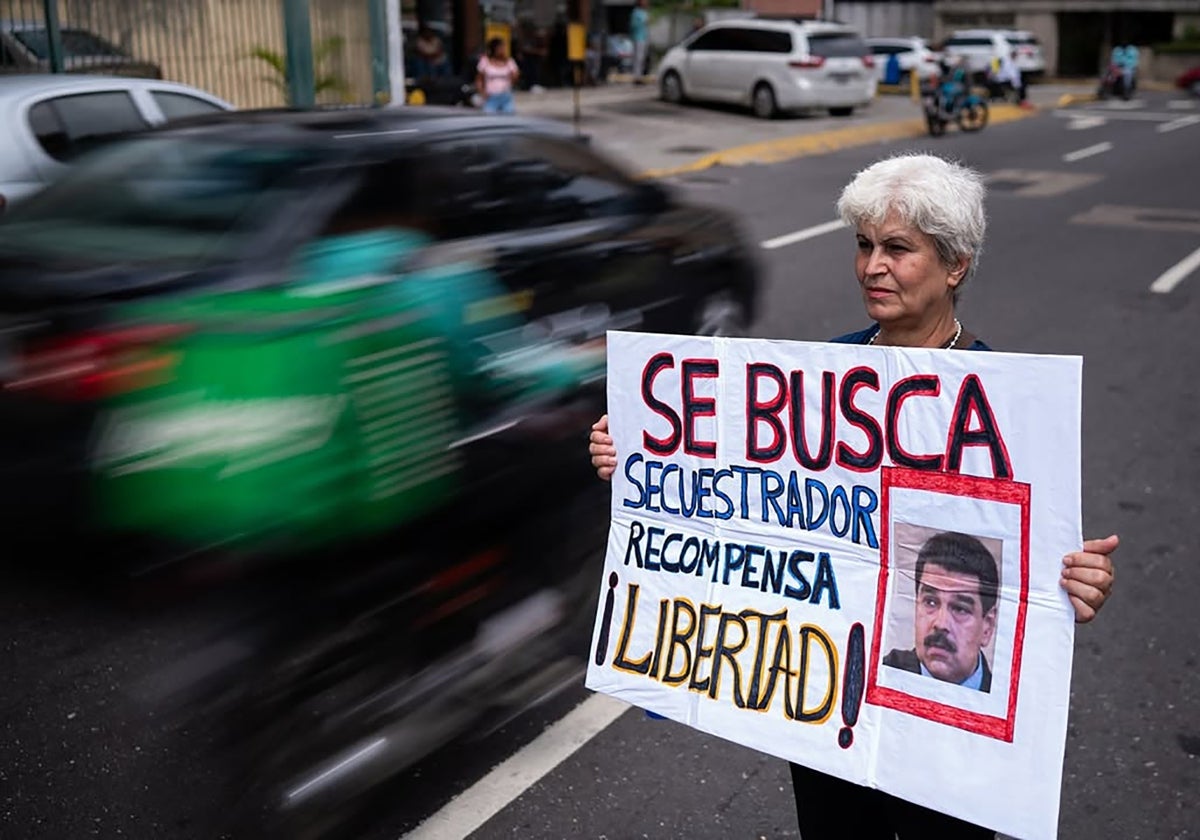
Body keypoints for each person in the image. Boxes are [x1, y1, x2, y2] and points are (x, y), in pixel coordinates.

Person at [587, 152, 1118, 839]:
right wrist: (635, 454)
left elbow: (1029, 558)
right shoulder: (822, 374)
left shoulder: (1000, 402)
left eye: (898, 249)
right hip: (830, 710)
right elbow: (734, 490)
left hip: (946, 736)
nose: (872, 266)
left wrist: (1077, 581)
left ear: (955, 264)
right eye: (864, 245)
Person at [883, 531, 999, 692]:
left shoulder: (1012, 702)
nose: (941, 623)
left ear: (987, 626)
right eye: (930, 602)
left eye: (960, 609)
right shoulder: (883, 673)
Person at [476, 37, 520, 114]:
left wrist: (514, 78)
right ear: (494, 49)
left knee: (509, 118)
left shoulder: (509, 61)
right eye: (500, 48)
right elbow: (479, 79)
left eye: (503, 47)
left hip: (506, 96)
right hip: (491, 97)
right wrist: (482, 92)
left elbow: (516, 75)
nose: (502, 50)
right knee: (489, 118)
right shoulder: (485, 61)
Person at [630, 0, 650, 82]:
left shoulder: (644, 12)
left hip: (644, 37)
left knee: (642, 58)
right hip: (638, 37)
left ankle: (640, 76)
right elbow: (633, 25)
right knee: (638, 58)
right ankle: (637, 77)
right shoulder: (636, 13)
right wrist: (643, 22)